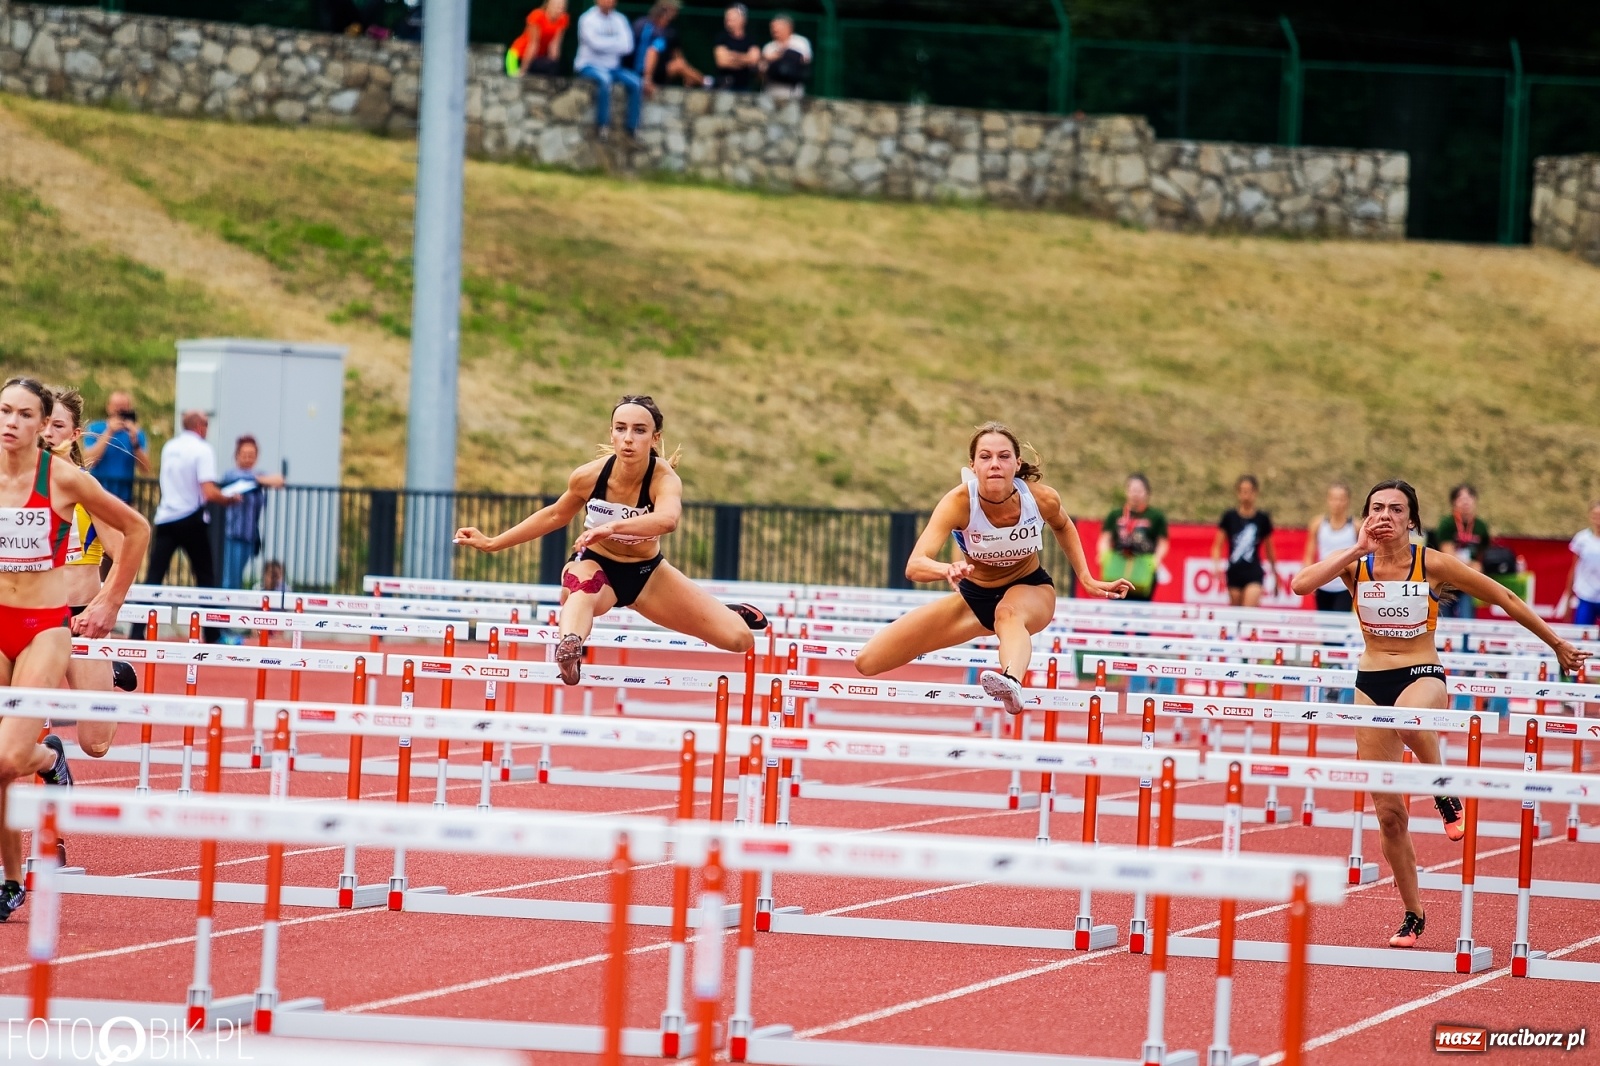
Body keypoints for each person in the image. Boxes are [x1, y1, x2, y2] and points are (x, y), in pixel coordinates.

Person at [1292, 479, 1588, 949]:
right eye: (1377, 508)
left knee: (1407, 720)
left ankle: (1444, 789)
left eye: (1395, 509)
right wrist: (1354, 549)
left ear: (1412, 519)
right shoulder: (1358, 565)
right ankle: (1413, 913)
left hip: (1422, 673)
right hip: (1370, 683)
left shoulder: (1432, 564)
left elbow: (1504, 598)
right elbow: (1299, 584)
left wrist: (1556, 644)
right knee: (1389, 816)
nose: (1385, 515)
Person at [454, 396, 767, 684]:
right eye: (621, 428)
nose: (629, 437)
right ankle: (570, 647)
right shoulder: (589, 477)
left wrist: (613, 527)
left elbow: (668, 520)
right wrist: (493, 542)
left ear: (655, 437)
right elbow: (554, 516)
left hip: (647, 574)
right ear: (612, 434)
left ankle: (722, 611)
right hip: (595, 565)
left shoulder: (664, 479)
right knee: (580, 589)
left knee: (740, 640)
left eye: (639, 430)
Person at [852, 422, 1133, 715]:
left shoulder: (1040, 498)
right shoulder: (959, 502)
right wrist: (945, 569)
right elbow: (915, 565)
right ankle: (1004, 657)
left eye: (1004, 456)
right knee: (868, 661)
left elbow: (1062, 525)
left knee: (1007, 613)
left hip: (1031, 589)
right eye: (985, 457)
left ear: (1017, 463)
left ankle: (1011, 682)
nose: (995, 464)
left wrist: (1086, 577)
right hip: (975, 598)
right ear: (973, 465)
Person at [0, 378, 149, 921]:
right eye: (4, 411)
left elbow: (131, 535)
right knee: (2, 757)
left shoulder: (68, 482)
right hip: (13, 622)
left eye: (26, 416)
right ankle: (12, 875)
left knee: (85, 744)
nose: (11, 423)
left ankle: (53, 745)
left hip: (62, 627)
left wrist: (108, 602)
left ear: (53, 429)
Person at [144, 411, 236, 643]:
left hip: (166, 516)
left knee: (154, 577)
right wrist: (229, 498)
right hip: (191, 518)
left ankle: (137, 630)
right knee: (205, 577)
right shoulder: (202, 449)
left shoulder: (169, 447)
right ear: (199, 426)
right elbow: (208, 490)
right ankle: (212, 634)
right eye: (206, 423)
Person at [219, 435, 286, 591]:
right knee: (231, 578)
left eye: (252, 455)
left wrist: (261, 479)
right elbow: (245, 480)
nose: (248, 459)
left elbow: (280, 480)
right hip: (233, 533)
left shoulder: (258, 476)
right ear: (237, 456)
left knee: (240, 574)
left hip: (250, 535)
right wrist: (261, 480)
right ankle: (226, 610)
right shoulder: (232, 475)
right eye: (244, 455)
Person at [575, 0, 643, 140]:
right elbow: (594, 44)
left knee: (636, 83)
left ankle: (632, 127)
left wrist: (605, 44)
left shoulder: (620, 20)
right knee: (605, 81)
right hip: (590, 65)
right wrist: (616, 43)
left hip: (614, 68)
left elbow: (628, 46)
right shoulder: (587, 19)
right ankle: (602, 125)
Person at [1211, 474, 1280, 607]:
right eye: (1242, 491)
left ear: (1255, 493)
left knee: (1248, 611)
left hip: (1253, 570)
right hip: (1234, 570)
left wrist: (1275, 574)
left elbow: (1269, 549)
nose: (1245, 495)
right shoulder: (1229, 517)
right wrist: (1216, 565)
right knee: (1236, 614)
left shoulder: (1262, 519)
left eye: (1248, 491)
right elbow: (1217, 545)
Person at [1097, 473, 1167, 602]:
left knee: (1141, 607)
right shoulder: (1115, 514)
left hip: (1143, 567)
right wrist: (1103, 555)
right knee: (1115, 604)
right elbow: (1105, 538)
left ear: (1147, 493)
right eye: (1132, 490)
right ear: (1126, 491)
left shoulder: (1156, 516)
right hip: (1118, 566)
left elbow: (1163, 543)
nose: (1135, 494)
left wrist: (1156, 561)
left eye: (1139, 490)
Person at [82, 390, 149, 505]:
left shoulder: (137, 433)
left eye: (124, 407)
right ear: (109, 407)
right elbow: (89, 461)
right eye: (116, 407)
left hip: (124, 497)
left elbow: (145, 469)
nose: (120, 411)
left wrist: (135, 442)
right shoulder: (95, 428)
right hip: (97, 495)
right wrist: (109, 432)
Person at [1434, 484, 1489, 620]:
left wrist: (1478, 568)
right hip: (1446, 580)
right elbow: (1448, 554)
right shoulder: (1447, 524)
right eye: (1461, 498)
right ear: (1454, 502)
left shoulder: (1480, 526)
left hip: (1468, 581)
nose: (1465, 502)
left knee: (1467, 619)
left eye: (1469, 497)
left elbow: (1482, 553)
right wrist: (1472, 565)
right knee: (1444, 621)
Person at [1304, 482, 1357, 613]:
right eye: (1334, 499)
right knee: (1324, 625)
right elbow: (1309, 554)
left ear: (1347, 501)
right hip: (1323, 583)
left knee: (1339, 624)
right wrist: (1310, 580)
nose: (1337, 503)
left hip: (1344, 586)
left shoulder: (1356, 526)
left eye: (1341, 499)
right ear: (1328, 500)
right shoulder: (1318, 524)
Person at [632, 0, 707, 92]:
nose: (677, 12)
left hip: (660, 71)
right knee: (653, 50)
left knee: (679, 64)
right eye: (675, 9)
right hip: (639, 70)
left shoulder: (671, 32)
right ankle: (707, 82)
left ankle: (704, 82)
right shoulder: (643, 25)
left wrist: (688, 76)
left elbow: (679, 58)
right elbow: (649, 51)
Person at [1557, 500, 1600, 627]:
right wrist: (1568, 600)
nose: (1598, 520)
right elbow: (1574, 569)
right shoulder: (1582, 539)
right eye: (1595, 516)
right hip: (1586, 595)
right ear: (1590, 517)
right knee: (1581, 637)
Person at [507, 0, 569, 77]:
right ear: (548, 4)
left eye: (562, 6)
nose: (560, 8)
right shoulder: (537, 16)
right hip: (517, 55)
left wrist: (554, 64)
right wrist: (523, 70)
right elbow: (533, 44)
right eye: (557, 5)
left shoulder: (563, 19)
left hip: (537, 57)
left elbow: (555, 45)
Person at [760, 14, 811, 99]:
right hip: (771, 90)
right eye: (772, 27)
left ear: (788, 27)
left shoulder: (800, 42)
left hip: (793, 92)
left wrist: (776, 57)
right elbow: (762, 70)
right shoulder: (769, 47)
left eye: (777, 27)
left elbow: (802, 61)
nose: (774, 30)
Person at [713, 3, 761, 91]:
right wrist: (746, 59)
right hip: (725, 86)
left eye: (731, 17)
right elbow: (722, 62)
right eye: (727, 17)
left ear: (742, 19)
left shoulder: (751, 39)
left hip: (745, 86)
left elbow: (754, 60)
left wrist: (732, 56)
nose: (727, 20)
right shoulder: (721, 38)